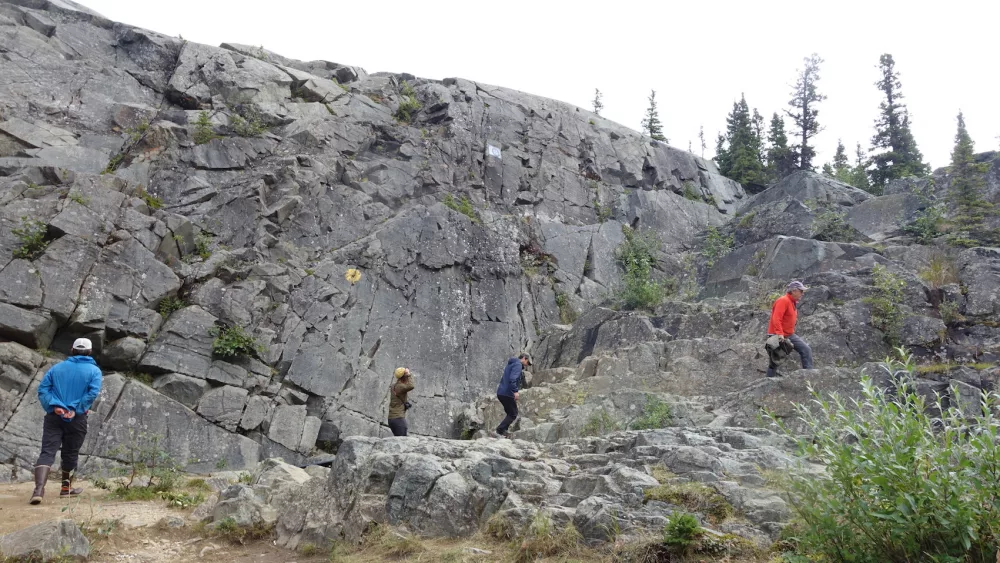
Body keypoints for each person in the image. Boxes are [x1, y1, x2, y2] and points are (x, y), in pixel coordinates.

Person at [30, 338, 103, 505]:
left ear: (72, 349)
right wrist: (75, 409)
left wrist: (54, 406)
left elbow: (43, 390)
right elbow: (91, 394)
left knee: (47, 452)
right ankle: (65, 489)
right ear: (90, 352)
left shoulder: (57, 368)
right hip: (77, 419)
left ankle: (39, 490)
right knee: (70, 453)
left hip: (54, 417)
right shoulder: (94, 371)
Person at [765, 281, 813, 378]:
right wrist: (779, 334)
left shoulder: (792, 302)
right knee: (775, 361)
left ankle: (809, 376)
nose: (802, 294)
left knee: (806, 350)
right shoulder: (783, 300)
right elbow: (776, 318)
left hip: (789, 334)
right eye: (801, 291)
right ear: (794, 291)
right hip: (777, 335)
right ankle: (768, 382)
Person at [495, 353, 530, 438]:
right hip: (507, 393)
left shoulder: (511, 364)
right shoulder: (518, 364)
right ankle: (500, 430)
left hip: (501, 392)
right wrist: (515, 391)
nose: (527, 365)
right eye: (527, 362)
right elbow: (512, 379)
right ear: (524, 358)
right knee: (513, 413)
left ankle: (503, 431)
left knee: (510, 412)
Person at [387, 367, 414, 437]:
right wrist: (409, 374)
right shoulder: (400, 386)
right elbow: (411, 386)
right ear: (404, 377)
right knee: (403, 441)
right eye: (406, 376)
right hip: (398, 419)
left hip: (392, 419)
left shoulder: (393, 386)